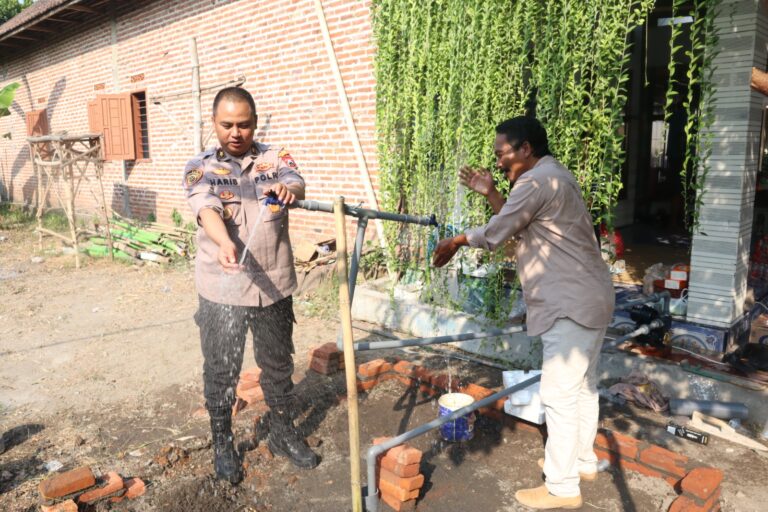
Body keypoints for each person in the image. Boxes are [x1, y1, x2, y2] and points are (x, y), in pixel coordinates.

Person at [432, 116, 614, 510]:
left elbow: (497, 233)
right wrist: (491, 193)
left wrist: (457, 240)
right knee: (583, 387)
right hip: (591, 297)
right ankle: (580, 462)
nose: (497, 162)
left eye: (502, 154)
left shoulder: (535, 182)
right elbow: (518, 227)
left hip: (570, 303)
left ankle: (562, 487)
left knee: (558, 394)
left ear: (525, 148)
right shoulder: (554, 175)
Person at [183, 86, 319, 484]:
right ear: (214, 124)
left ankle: (283, 433)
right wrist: (224, 242)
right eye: (227, 125)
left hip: (273, 284)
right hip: (222, 287)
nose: (235, 133)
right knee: (221, 371)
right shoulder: (200, 167)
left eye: (243, 124)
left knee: (278, 366)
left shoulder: (275, 159)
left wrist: (288, 190)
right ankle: (223, 443)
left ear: (255, 123)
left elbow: (297, 183)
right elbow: (206, 208)